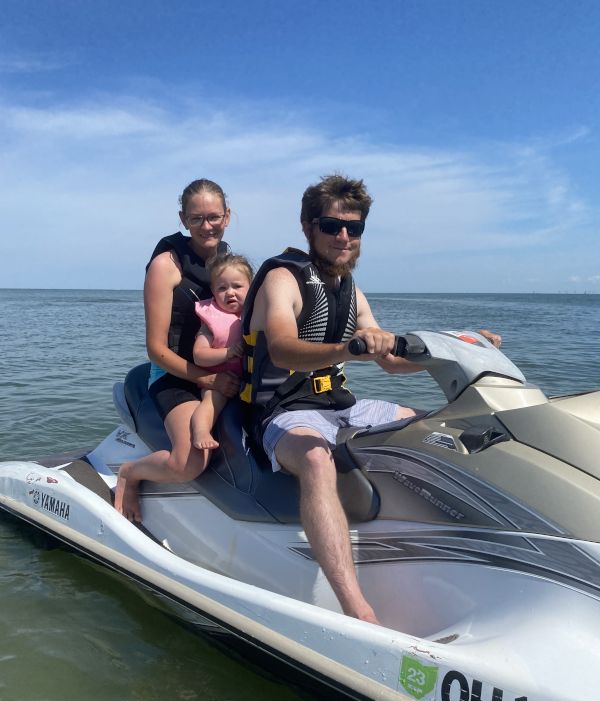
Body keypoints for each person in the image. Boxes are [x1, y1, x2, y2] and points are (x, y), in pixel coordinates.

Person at [240, 174, 501, 624]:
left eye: (354, 228)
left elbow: (392, 362)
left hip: (342, 406)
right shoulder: (282, 278)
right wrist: (349, 348)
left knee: (437, 431)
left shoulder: (349, 289)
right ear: (308, 226)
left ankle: (474, 547)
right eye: (331, 225)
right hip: (279, 411)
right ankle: (355, 607)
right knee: (318, 461)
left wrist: (464, 348)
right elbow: (281, 347)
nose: (343, 236)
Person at [115, 179, 239, 522]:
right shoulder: (165, 265)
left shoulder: (227, 263)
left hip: (220, 369)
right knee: (190, 462)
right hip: (174, 374)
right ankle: (131, 473)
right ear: (183, 219)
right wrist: (207, 378)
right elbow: (156, 349)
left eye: (214, 216)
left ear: (227, 216)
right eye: (196, 218)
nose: (206, 226)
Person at [191, 253, 253, 450]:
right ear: (213, 291)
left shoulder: (258, 313)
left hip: (252, 381)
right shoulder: (211, 321)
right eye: (222, 288)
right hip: (218, 381)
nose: (230, 293)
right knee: (211, 401)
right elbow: (199, 355)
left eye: (237, 286)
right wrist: (227, 353)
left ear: (252, 286)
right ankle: (201, 431)